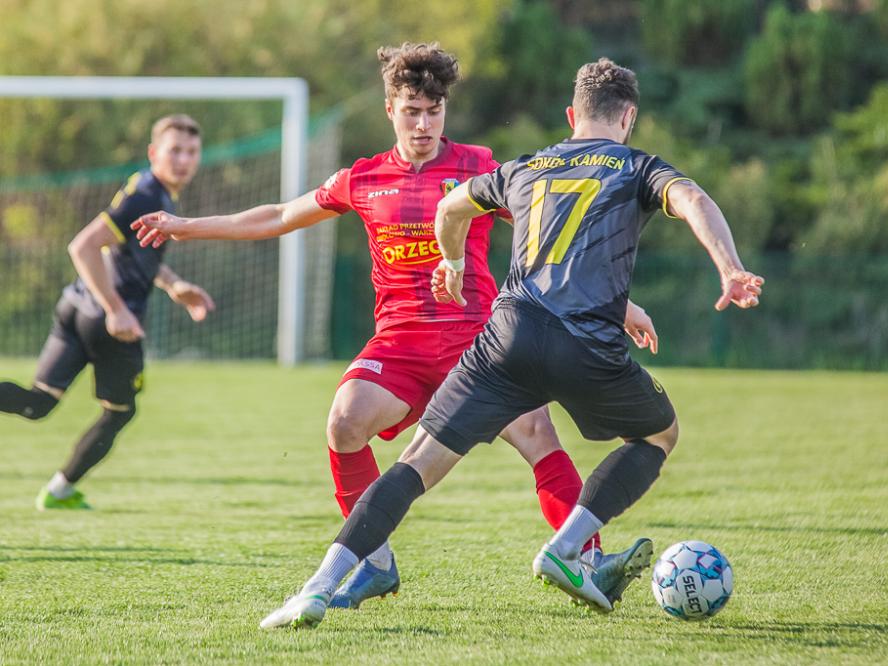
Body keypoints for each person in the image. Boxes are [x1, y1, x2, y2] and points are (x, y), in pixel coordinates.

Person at [131, 44, 659, 611]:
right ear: (390, 110)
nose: (424, 124)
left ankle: (586, 559)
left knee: (536, 434)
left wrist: (619, 304)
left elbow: (552, 235)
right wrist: (186, 226)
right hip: (400, 345)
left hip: (479, 343)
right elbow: (280, 215)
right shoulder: (363, 178)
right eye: (412, 111)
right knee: (344, 423)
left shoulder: (480, 168)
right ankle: (375, 562)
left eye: (434, 111)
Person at [255, 57, 765, 629]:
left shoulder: (526, 166)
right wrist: (730, 268)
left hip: (505, 338)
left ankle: (318, 587)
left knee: (415, 464)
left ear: (571, 116)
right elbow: (693, 199)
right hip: (584, 341)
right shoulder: (636, 166)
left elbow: (450, 207)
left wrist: (450, 262)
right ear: (628, 118)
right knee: (658, 434)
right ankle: (568, 548)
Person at [0, 114, 214, 510]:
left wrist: (173, 285)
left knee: (38, 403)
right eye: (175, 151)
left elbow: (129, 253)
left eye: (191, 151)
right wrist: (116, 309)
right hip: (108, 322)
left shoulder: (150, 189)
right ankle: (59, 491)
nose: (184, 160)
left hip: (76, 305)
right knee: (119, 412)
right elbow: (82, 246)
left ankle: (59, 491)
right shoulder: (147, 195)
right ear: (153, 153)